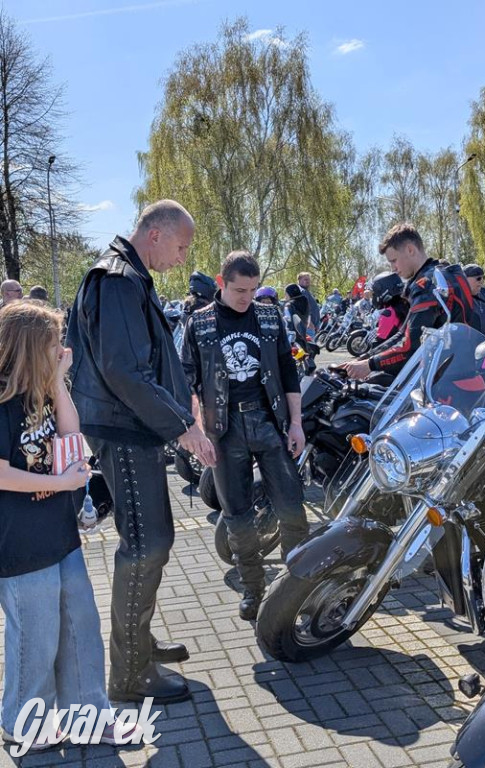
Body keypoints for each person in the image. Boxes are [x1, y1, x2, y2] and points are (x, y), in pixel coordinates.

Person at [66, 199, 206, 704]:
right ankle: (129, 674)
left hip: (133, 429)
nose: (182, 257)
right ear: (155, 234)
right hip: (125, 430)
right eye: (181, 245)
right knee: (146, 546)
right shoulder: (119, 279)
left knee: (153, 540)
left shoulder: (128, 277)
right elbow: (125, 371)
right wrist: (182, 427)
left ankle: (138, 644)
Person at [0, 302, 138, 749]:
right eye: (54, 344)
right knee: (36, 636)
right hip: (18, 542)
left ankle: (90, 717)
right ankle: (24, 722)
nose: (62, 350)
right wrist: (59, 481)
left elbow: (71, 435)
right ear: (30, 347)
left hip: (60, 534)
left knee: (80, 623)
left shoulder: (39, 390)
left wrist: (58, 382)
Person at [181, 251, 309, 621]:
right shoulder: (199, 323)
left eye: (252, 289)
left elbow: (287, 371)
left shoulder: (269, 317)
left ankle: (296, 591)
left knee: (292, 510)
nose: (246, 298)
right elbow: (187, 379)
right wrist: (195, 431)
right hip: (224, 429)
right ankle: (253, 590)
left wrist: (297, 423)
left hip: (270, 422)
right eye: (239, 289)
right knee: (238, 517)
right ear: (221, 283)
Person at [342, 222, 474, 381]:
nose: (393, 268)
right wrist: (363, 359)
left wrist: (369, 365)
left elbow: (410, 347)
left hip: (445, 380)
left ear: (410, 250)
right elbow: (402, 334)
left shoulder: (426, 284)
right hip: (463, 369)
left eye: (393, 260)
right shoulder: (446, 273)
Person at [464, 264, 485, 339]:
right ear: (465, 279)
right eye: (478, 278)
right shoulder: (460, 298)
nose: (481, 281)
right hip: (472, 348)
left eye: (483, 278)